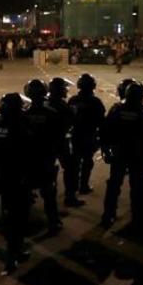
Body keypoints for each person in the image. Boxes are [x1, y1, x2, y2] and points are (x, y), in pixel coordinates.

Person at [101, 82, 143, 229]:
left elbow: (105, 132)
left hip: (119, 154)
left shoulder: (116, 109)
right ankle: (138, 217)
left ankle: (108, 214)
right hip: (137, 155)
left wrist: (105, 150)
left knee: (113, 185)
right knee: (138, 187)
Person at [0, 93, 31, 273]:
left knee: (9, 214)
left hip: (1, 176)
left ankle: (14, 252)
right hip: (18, 178)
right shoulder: (21, 126)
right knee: (18, 218)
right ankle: (13, 256)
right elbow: (29, 153)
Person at [23, 79, 62, 234]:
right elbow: (58, 137)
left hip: (29, 159)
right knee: (49, 192)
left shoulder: (24, 113)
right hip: (46, 158)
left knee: (26, 192)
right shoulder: (51, 113)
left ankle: (24, 223)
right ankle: (53, 222)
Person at [48, 77, 84, 207]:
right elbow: (73, 121)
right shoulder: (62, 105)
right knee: (70, 168)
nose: (66, 90)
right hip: (59, 141)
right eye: (64, 87)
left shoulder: (47, 102)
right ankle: (70, 197)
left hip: (45, 143)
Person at [68, 73, 106, 196]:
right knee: (87, 161)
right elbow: (101, 121)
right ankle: (83, 186)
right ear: (93, 86)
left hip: (76, 135)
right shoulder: (95, 102)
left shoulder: (73, 100)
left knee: (75, 162)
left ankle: (72, 189)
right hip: (89, 135)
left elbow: (68, 119)